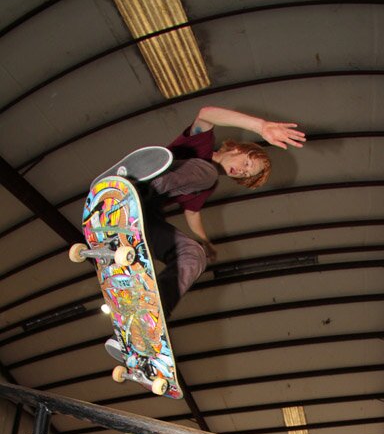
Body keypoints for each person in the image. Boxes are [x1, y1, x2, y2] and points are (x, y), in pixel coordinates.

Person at [102, 105, 305, 346]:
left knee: (194, 256)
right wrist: (259, 126)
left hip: (142, 218)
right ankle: (134, 188)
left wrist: (205, 242)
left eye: (245, 175)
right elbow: (206, 113)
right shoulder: (202, 147)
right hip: (136, 190)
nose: (241, 172)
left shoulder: (206, 184)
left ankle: (146, 318)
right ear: (238, 148)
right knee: (207, 172)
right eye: (247, 163)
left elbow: (192, 212)